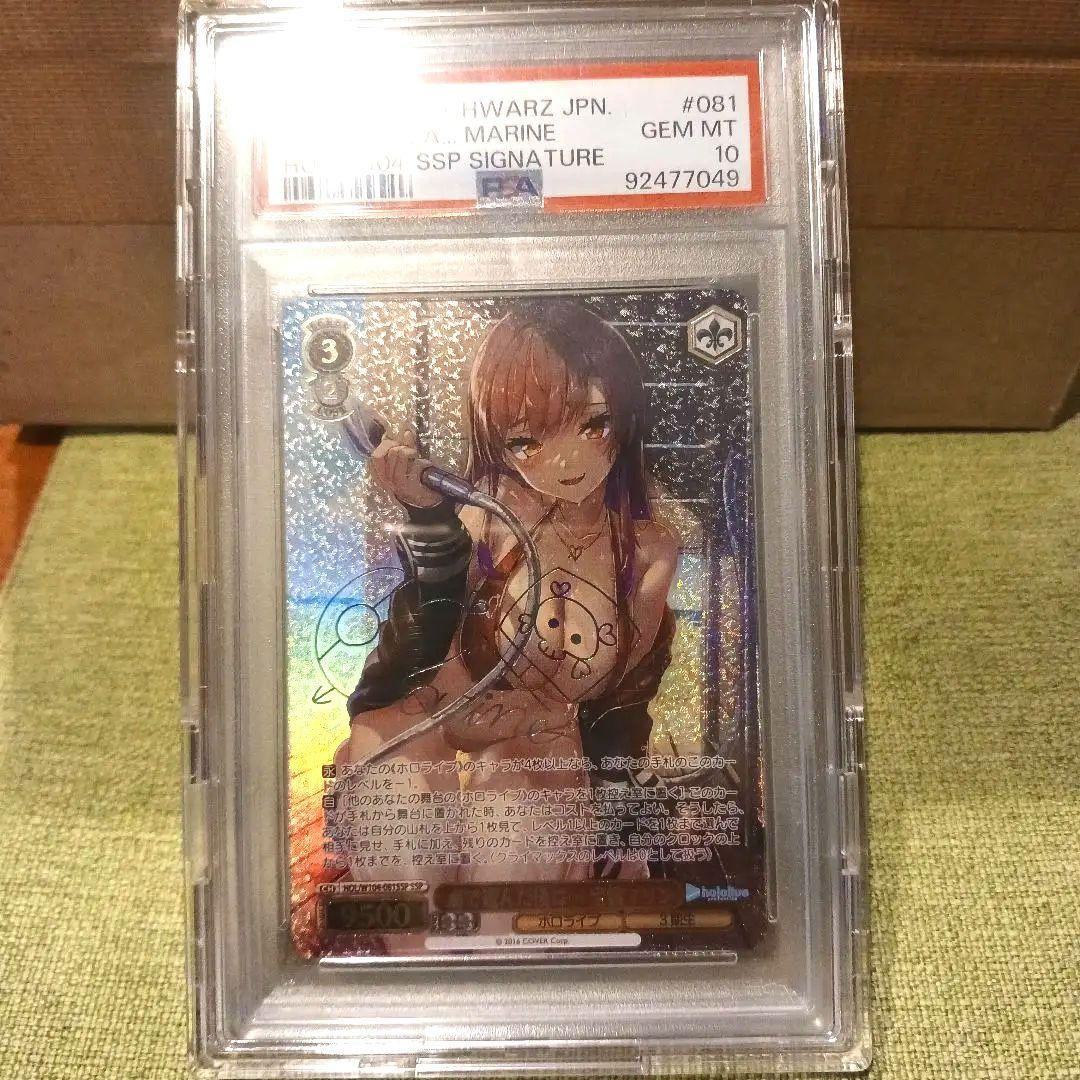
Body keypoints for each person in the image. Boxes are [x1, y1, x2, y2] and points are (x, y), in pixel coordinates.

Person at [336, 299, 679, 890]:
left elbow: (620, 691)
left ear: (624, 415)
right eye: (526, 440)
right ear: (496, 438)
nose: (566, 459)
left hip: (544, 744)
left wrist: (557, 727)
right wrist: (429, 519)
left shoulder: (647, 548)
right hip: (443, 711)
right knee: (397, 803)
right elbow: (431, 634)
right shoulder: (488, 513)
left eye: (593, 424)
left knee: (518, 830)